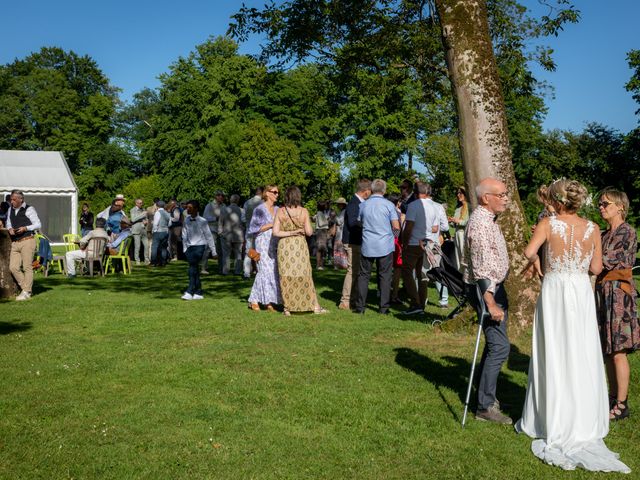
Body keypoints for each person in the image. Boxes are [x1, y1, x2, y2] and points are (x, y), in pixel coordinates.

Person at [515, 179, 630, 473]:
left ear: (556, 199)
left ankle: (550, 417)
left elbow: (529, 253)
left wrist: (544, 257)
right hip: (579, 292)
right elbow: (595, 268)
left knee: (553, 350)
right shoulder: (592, 229)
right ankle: (582, 418)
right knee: (580, 352)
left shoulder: (548, 223)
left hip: (555, 290)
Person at [463, 178, 511, 424]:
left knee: (494, 345)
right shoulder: (480, 224)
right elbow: (482, 269)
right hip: (487, 292)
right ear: (485, 198)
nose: (506, 198)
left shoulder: (489, 220)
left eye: (506, 194)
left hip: (495, 289)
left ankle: (485, 396)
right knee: (500, 347)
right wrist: (490, 303)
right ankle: (484, 406)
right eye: (501, 194)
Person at [595, 188, 639, 422]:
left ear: (620, 207)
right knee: (608, 350)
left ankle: (622, 404)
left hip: (619, 296)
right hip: (603, 294)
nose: (601, 207)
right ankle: (612, 397)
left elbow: (603, 261)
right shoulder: (601, 234)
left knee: (619, 350)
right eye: (600, 204)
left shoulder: (627, 232)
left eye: (605, 203)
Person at [273, 186, 327, 315]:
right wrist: (298, 230)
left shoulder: (280, 211)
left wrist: (289, 231)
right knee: (304, 275)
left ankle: (287, 308)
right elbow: (309, 232)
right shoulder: (304, 211)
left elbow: (275, 232)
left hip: (284, 246)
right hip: (299, 246)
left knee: (286, 276)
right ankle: (314, 306)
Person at [354, 179, 400, 315]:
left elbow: (360, 222)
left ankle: (360, 307)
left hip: (368, 244)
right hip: (385, 244)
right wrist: (392, 236)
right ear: (384, 190)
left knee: (363, 276)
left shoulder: (363, 205)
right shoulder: (389, 205)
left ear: (372, 189)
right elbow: (396, 226)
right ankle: (383, 307)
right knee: (385, 276)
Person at [400, 182, 441, 315]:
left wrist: (404, 243)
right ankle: (421, 304)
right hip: (428, 242)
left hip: (414, 243)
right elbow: (435, 228)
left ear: (416, 193)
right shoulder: (434, 207)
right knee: (422, 274)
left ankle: (415, 303)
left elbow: (409, 226)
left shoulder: (413, 205)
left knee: (407, 272)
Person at [337, 179, 372, 310]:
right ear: (366, 191)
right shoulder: (354, 203)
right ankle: (345, 301)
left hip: (355, 241)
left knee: (356, 271)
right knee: (352, 271)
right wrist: (367, 225)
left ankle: (351, 299)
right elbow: (352, 223)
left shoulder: (358, 202)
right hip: (353, 242)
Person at [247, 185, 282, 311]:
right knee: (264, 271)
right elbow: (253, 228)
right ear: (267, 193)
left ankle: (269, 301)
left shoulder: (279, 209)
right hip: (262, 242)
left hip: (275, 243)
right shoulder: (259, 209)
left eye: (278, 192)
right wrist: (271, 224)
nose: (277, 194)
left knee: (273, 271)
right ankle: (255, 300)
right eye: (275, 192)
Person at [6, 190, 42, 301]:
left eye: (14, 199)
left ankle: (27, 292)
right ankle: (26, 288)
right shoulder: (9, 209)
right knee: (13, 267)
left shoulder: (29, 209)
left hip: (28, 240)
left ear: (21, 199)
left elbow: (38, 224)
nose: (12, 202)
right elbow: (8, 222)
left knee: (27, 267)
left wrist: (26, 228)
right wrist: (10, 228)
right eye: (11, 199)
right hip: (15, 242)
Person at [181, 200, 217, 300]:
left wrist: (214, 251)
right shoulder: (186, 220)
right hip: (189, 247)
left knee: (191, 268)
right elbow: (184, 234)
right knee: (194, 269)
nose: (187, 209)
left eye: (190, 207)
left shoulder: (203, 221)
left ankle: (189, 290)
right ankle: (199, 292)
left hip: (200, 246)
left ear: (196, 209)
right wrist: (185, 248)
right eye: (187, 207)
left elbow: (209, 236)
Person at [218, 194, 245, 275]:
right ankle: (237, 271)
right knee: (238, 254)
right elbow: (244, 223)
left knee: (226, 254)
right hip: (238, 235)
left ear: (230, 200)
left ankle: (225, 271)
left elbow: (220, 222)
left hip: (226, 234)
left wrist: (220, 232)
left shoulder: (224, 209)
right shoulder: (242, 210)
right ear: (238, 201)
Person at [202, 191, 226, 274]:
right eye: (221, 196)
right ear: (216, 196)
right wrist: (215, 218)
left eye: (223, 196)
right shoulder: (209, 205)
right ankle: (203, 268)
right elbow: (205, 218)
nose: (222, 197)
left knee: (221, 250)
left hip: (222, 231)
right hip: (212, 230)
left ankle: (221, 269)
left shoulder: (224, 206)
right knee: (208, 249)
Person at [243, 186, 264, 279]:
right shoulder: (263, 203)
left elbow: (242, 218)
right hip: (259, 230)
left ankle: (246, 273)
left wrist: (248, 224)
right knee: (259, 251)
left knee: (248, 251)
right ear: (262, 193)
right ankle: (259, 271)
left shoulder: (247, 202)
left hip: (249, 229)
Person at [448, 187, 469, 272]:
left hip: (465, 234)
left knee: (465, 258)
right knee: (458, 258)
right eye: (457, 193)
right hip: (457, 234)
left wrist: (459, 221)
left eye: (460, 193)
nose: (458, 195)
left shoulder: (470, 206)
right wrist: (451, 221)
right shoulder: (458, 208)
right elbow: (455, 224)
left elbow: (470, 222)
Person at [130, 198, 150, 265]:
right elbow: (133, 219)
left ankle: (146, 260)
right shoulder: (133, 210)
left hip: (143, 229)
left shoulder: (143, 210)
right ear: (136, 203)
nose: (141, 204)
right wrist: (142, 215)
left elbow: (146, 218)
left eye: (142, 203)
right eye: (140, 203)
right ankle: (137, 260)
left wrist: (146, 221)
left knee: (147, 245)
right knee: (137, 246)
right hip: (136, 230)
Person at [151, 200, 171, 267]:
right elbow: (170, 223)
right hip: (165, 231)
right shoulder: (167, 213)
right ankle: (163, 262)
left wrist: (154, 231)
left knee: (154, 247)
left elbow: (155, 223)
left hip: (158, 231)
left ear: (157, 206)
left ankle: (153, 262)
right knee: (164, 247)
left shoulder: (157, 212)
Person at [313, 200, 331, 270]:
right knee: (320, 248)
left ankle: (321, 265)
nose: (326, 206)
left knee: (322, 249)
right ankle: (319, 265)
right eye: (325, 205)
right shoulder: (320, 213)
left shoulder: (321, 213)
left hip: (322, 231)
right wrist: (327, 221)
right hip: (321, 232)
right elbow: (321, 224)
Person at [332, 197, 348, 270]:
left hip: (341, 232)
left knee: (340, 248)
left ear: (342, 205)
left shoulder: (344, 212)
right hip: (339, 232)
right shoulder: (342, 212)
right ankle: (339, 264)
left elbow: (339, 221)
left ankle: (341, 264)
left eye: (339, 204)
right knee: (339, 248)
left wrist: (335, 216)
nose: (338, 206)